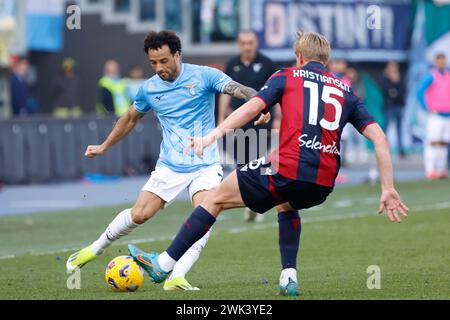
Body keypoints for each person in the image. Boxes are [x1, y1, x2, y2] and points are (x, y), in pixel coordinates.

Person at [127, 31, 409, 297]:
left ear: (299, 56)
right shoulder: (346, 91)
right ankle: (289, 276)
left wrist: (211, 135)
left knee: (213, 199)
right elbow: (380, 138)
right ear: (326, 60)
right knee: (286, 202)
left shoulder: (286, 76)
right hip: (322, 183)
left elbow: (251, 107)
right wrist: (387, 187)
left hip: (286, 168)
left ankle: (163, 264)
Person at [66, 30, 259, 291]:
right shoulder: (149, 89)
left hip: (205, 164)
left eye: (164, 61)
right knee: (140, 214)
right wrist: (103, 146)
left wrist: (254, 99)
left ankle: (176, 276)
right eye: (154, 63)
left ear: (177, 54)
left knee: (205, 214)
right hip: (170, 165)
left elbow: (238, 89)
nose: (159, 68)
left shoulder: (203, 75)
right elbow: (130, 119)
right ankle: (94, 249)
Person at [218, 30, 279, 223]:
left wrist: (278, 118)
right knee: (241, 164)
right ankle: (250, 202)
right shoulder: (232, 64)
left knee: (259, 162)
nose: (247, 46)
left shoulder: (267, 63)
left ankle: (258, 205)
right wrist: (221, 118)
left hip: (261, 120)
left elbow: (277, 92)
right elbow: (225, 92)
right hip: (237, 119)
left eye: (250, 42)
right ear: (238, 44)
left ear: (256, 43)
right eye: (243, 42)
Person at [417, 53, 450, 180]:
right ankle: (430, 169)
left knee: (444, 142)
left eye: (443, 60)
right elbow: (420, 92)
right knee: (432, 142)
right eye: (439, 61)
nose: (442, 63)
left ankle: (441, 169)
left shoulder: (448, 75)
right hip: (436, 115)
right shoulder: (432, 76)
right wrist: (427, 107)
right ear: (436, 62)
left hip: (447, 114)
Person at [380, 61, 406, 158]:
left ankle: (401, 150)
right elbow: (385, 90)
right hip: (388, 107)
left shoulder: (400, 78)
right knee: (385, 129)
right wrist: (391, 81)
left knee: (399, 129)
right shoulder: (385, 78)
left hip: (398, 106)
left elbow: (402, 92)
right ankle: (382, 147)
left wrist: (396, 82)